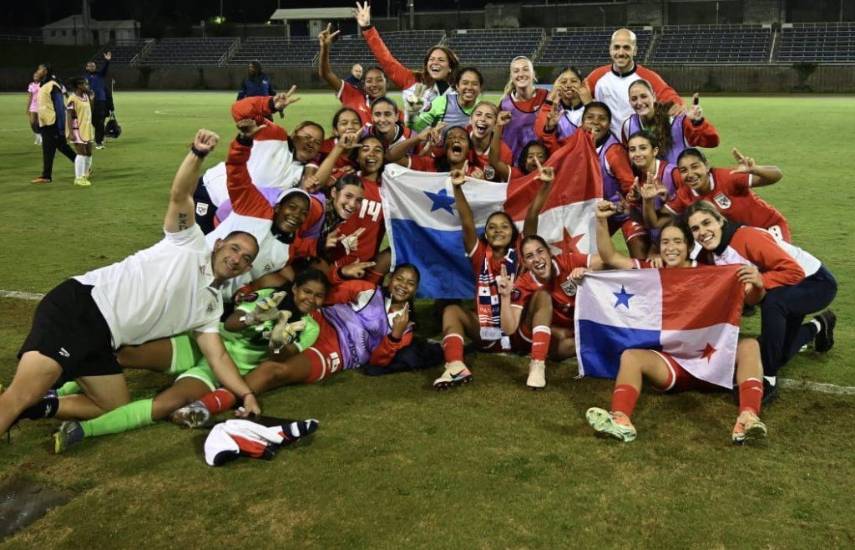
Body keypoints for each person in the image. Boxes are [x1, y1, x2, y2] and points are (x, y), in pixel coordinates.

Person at [0, 129, 262, 440]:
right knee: (18, 395)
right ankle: (21, 404)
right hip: (81, 309)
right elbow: (180, 196)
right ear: (218, 244)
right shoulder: (188, 242)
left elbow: (218, 358)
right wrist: (197, 153)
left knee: (112, 404)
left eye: (246, 259)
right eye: (234, 249)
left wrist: (245, 395)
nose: (237, 259)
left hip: (103, 340)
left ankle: (36, 407)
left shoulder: (211, 307)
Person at [53, 269, 329, 452]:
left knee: (167, 404)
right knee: (124, 354)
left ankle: (83, 430)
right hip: (201, 344)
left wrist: (278, 342)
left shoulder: (310, 328)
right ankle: (57, 388)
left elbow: (279, 357)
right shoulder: (270, 296)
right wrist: (254, 317)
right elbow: (231, 324)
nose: (311, 299)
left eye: (318, 296)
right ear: (295, 289)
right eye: (307, 291)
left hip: (220, 369)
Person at [587, 199, 769, 444]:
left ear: (689, 246)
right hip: (672, 365)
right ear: (658, 247)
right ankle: (621, 420)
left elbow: (750, 298)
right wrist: (600, 220)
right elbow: (609, 256)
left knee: (749, 346)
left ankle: (747, 418)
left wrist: (758, 285)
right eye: (665, 242)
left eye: (677, 241)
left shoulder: (710, 272)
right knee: (631, 356)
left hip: (712, 358)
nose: (670, 248)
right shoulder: (652, 269)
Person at [169, 264, 421, 426]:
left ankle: (204, 407)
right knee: (267, 354)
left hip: (336, 353)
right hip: (315, 327)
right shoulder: (366, 290)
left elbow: (378, 362)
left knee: (273, 371)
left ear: (416, 289)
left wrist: (394, 337)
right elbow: (324, 293)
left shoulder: (406, 327)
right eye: (400, 279)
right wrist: (339, 274)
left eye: (410, 283)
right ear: (390, 279)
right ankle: (212, 362)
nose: (403, 286)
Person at [686, 200, 837, 403]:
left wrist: (761, 281)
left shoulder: (747, 237)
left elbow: (794, 271)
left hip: (815, 283)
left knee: (773, 302)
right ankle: (819, 326)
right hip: (786, 289)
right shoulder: (710, 254)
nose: (702, 231)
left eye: (707, 223)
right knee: (778, 354)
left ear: (721, 221)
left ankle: (768, 379)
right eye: (695, 228)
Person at [435, 161, 554, 390]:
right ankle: (455, 365)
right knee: (451, 310)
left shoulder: (521, 252)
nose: (498, 230)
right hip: (488, 333)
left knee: (543, 298)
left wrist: (545, 187)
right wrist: (457, 188)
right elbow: (467, 222)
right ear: (486, 235)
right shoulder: (480, 255)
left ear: (513, 234)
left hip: (520, 331)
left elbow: (532, 216)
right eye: (492, 227)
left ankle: (537, 364)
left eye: (504, 227)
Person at [193, 89, 323, 233]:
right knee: (195, 248)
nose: (311, 143)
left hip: (237, 215)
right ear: (294, 133)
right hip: (212, 195)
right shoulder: (274, 134)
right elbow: (238, 110)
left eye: (317, 142)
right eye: (307, 136)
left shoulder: (303, 174)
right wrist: (270, 104)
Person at [647, 147, 790, 242]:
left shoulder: (728, 177)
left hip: (767, 227)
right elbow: (656, 222)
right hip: (741, 240)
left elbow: (776, 175)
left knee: (784, 270)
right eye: (683, 170)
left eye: (695, 167)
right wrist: (647, 201)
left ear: (707, 166)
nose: (690, 174)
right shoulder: (684, 194)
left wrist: (755, 169)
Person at [355, 1, 459, 126]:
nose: (435, 62)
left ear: (450, 68)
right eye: (431, 59)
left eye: (441, 60)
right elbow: (386, 60)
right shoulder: (411, 79)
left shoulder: (455, 94)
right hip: (411, 142)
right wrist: (367, 28)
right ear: (426, 64)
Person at [585, 28, 683, 136]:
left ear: (635, 50)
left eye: (626, 47)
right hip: (608, 146)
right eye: (616, 47)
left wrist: (677, 105)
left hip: (636, 146)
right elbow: (577, 92)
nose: (621, 53)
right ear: (610, 49)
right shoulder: (597, 76)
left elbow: (672, 99)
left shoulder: (648, 77)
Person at [621, 81, 719, 165]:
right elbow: (628, 160)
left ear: (654, 97)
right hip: (649, 185)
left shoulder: (678, 119)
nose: (639, 102)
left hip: (681, 184)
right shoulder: (628, 125)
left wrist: (698, 122)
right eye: (634, 99)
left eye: (644, 96)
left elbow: (712, 141)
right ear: (629, 102)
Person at [319, 24, 389, 126]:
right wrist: (325, 49)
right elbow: (326, 74)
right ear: (364, 85)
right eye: (369, 81)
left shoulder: (394, 112)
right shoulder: (353, 95)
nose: (374, 84)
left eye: (379, 80)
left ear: (387, 83)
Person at [32, 64, 76, 185]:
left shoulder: (52, 86)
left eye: (39, 69)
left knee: (53, 149)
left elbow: (60, 108)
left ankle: (47, 176)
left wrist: (61, 127)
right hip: (46, 124)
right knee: (58, 148)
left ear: (45, 71)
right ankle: (47, 176)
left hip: (53, 124)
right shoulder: (44, 85)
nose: (37, 71)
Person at [499, 56, 549, 160]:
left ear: (533, 74)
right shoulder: (504, 105)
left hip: (545, 162)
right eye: (516, 71)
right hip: (515, 165)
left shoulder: (546, 97)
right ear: (511, 76)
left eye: (525, 69)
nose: (521, 74)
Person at [412, 66, 483, 132]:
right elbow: (417, 127)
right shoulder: (441, 103)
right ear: (457, 86)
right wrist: (431, 132)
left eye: (475, 84)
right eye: (465, 83)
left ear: (480, 88)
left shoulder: (483, 109)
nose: (470, 87)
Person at [534, 66, 591, 146]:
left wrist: (590, 105)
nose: (568, 85)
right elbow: (540, 136)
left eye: (574, 81)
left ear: (582, 84)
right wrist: (550, 100)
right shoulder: (553, 110)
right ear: (555, 86)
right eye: (563, 82)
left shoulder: (591, 107)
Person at [65, 77, 95, 188]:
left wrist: (92, 98)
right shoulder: (72, 98)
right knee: (81, 153)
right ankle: (78, 178)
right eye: (85, 84)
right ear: (79, 85)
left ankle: (85, 173)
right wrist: (71, 132)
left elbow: (90, 109)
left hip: (87, 127)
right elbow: (69, 115)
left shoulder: (86, 96)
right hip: (77, 129)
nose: (87, 86)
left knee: (89, 153)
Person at [84, 51, 111, 149]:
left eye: (93, 66)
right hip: (88, 102)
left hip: (100, 101)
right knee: (92, 121)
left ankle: (98, 141)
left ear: (95, 67)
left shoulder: (100, 75)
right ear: (86, 67)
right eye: (89, 66)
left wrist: (107, 61)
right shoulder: (84, 77)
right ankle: (100, 134)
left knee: (100, 121)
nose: (91, 67)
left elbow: (105, 69)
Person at [27, 69, 42, 145]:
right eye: (34, 76)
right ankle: (38, 135)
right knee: (32, 122)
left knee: (39, 123)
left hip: (41, 106)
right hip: (33, 106)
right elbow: (30, 97)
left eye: (37, 76)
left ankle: (41, 137)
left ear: (40, 77)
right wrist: (28, 108)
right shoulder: (31, 85)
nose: (35, 77)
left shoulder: (42, 84)